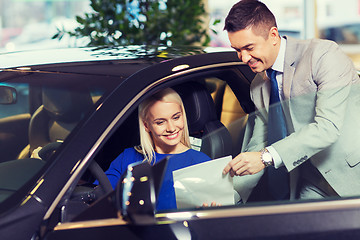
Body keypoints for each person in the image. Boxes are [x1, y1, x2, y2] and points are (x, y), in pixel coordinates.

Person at [222, 0, 360, 201]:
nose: (243, 58)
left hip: (353, 173)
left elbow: (327, 127)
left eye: (249, 47)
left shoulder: (323, 55)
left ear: (273, 35)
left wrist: (265, 157)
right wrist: (227, 197)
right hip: (311, 182)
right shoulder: (258, 86)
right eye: (237, 49)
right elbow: (259, 146)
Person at [101, 88, 211, 210]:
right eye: (160, 122)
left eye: (176, 118)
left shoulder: (201, 162)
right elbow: (98, 198)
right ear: (146, 125)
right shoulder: (128, 157)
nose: (171, 128)